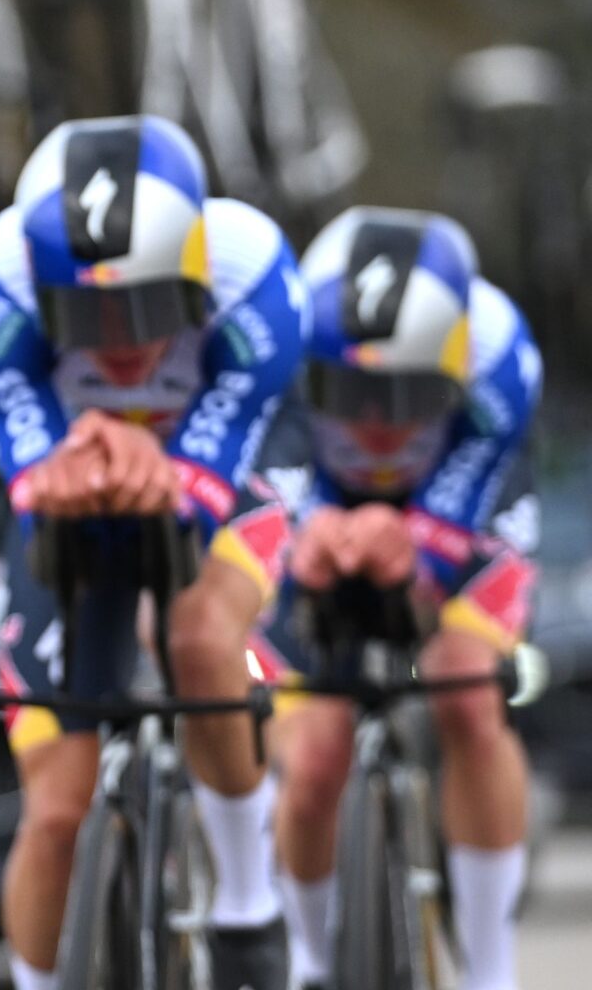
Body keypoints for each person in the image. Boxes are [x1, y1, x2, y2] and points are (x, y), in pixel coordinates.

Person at [0, 114, 306, 990]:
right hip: (74, 509)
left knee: (196, 637)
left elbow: (212, 475)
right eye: (87, 312)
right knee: (58, 808)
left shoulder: (253, 269)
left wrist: (165, 466)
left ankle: (247, 903)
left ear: (195, 273)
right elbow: (35, 476)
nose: (120, 341)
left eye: (151, 304)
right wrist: (66, 467)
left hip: (224, 483)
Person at [251, 208, 540, 990]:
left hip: (461, 510)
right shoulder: (281, 333)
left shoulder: (501, 353)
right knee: (311, 756)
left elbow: (449, 531)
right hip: (323, 499)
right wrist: (315, 537)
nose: (377, 423)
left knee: (467, 696)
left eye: (408, 394)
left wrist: (411, 543)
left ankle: (490, 967)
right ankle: (311, 960)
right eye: (351, 392)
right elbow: (268, 486)